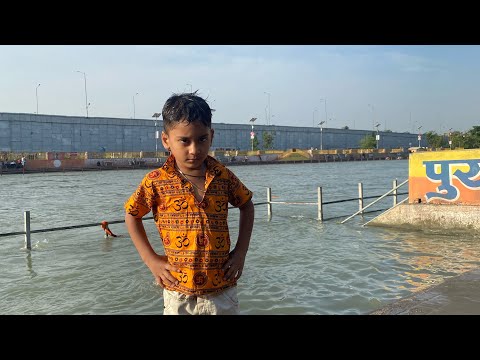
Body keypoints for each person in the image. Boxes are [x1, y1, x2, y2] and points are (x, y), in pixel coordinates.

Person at [124, 92, 254, 315]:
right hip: (178, 291)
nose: (194, 150)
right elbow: (132, 215)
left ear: (211, 136)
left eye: (202, 139)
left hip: (221, 290)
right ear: (166, 140)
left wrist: (240, 252)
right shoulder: (156, 182)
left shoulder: (223, 176)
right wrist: (151, 260)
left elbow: (246, 205)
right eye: (184, 141)